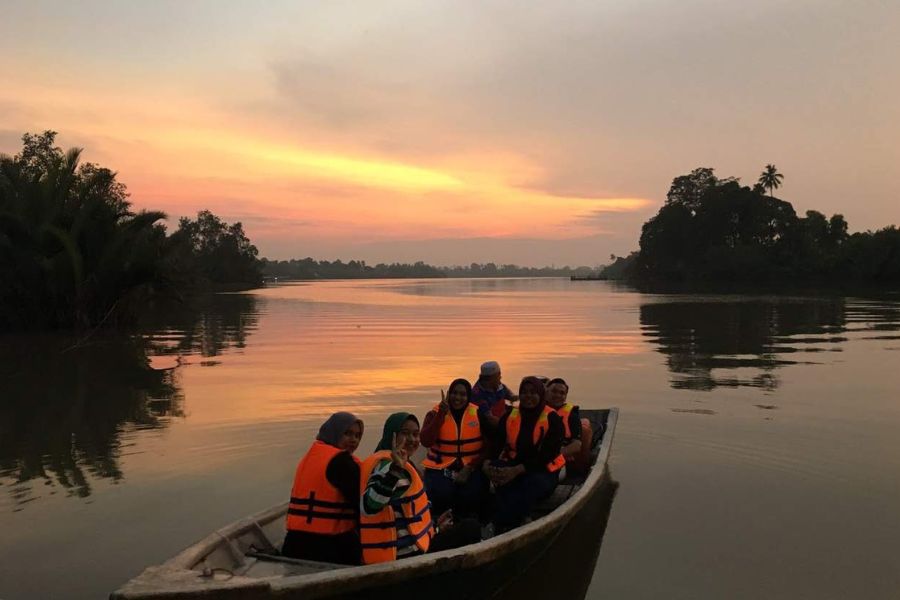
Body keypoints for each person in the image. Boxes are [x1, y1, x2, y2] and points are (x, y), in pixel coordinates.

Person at [359, 413, 480, 564]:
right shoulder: (385, 467)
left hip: (415, 546)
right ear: (392, 435)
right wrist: (395, 471)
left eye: (416, 434)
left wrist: (435, 525)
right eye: (405, 433)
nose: (412, 439)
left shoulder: (404, 464)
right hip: (405, 555)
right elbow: (368, 505)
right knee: (471, 528)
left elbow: (408, 515)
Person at [484, 376, 565, 533]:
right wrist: (487, 462)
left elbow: (547, 456)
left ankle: (497, 523)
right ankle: (520, 516)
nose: (528, 396)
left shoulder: (552, 419)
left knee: (528, 486)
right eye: (524, 392)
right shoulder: (510, 416)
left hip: (543, 470)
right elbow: (497, 444)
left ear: (541, 395)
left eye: (533, 392)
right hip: (514, 465)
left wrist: (517, 470)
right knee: (496, 471)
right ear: (519, 395)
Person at [282, 412, 364, 564]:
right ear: (335, 433)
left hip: (293, 545)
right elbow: (363, 505)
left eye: (357, 436)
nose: (353, 440)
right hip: (328, 547)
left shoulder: (311, 455)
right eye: (348, 434)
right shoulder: (342, 462)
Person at [420, 378, 491, 519]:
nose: (457, 398)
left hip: (470, 467)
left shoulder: (477, 414)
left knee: (473, 494)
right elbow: (426, 441)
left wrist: (470, 467)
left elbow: (489, 447)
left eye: (462, 394)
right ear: (448, 394)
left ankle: (474, 523)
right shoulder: (434, 413)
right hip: (440, 468)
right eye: (454, 393)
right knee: (442, 494)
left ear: (468, 397)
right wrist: (441, 414)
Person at [546, 378, 593, 473]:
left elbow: (576, 445)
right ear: (546, 392)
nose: (558, 395)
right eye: (554, 391)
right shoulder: (536, 410)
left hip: (558, 462)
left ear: (565, 396)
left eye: (562, 393)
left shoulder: (572, 415)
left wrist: (552, 456)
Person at [471, 360, 517, 426]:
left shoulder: (498, 384)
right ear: (490, 379)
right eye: (498, 375)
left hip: (502, 415)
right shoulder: (477, 395)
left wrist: (517, 397)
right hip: (490, 427)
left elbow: (509, 395)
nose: (500, 377)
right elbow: (490, 419)